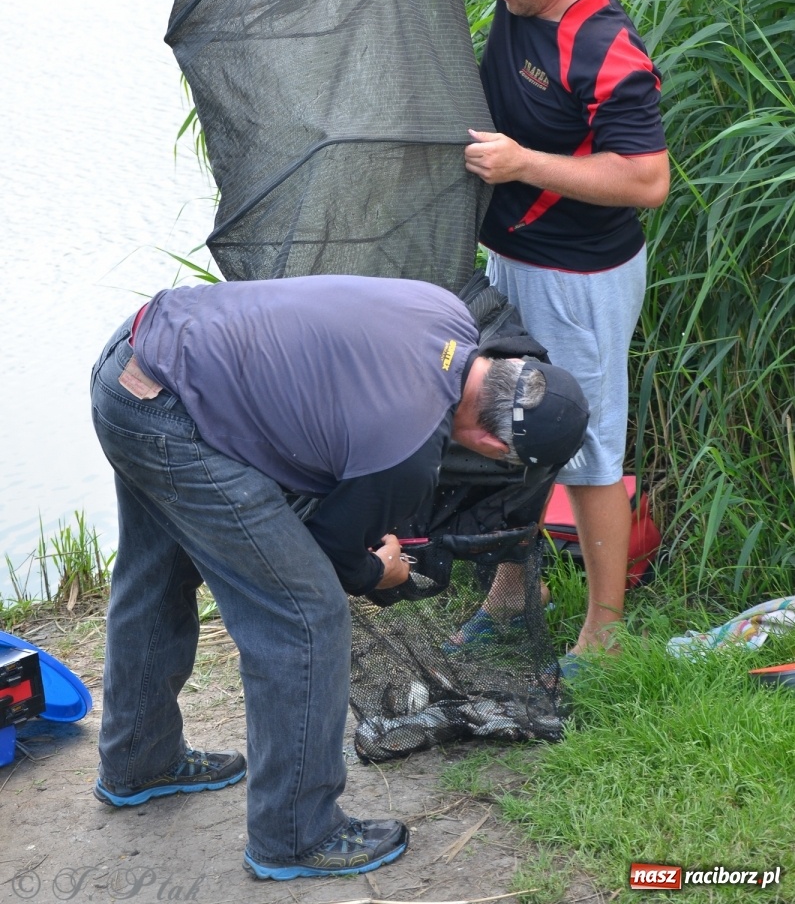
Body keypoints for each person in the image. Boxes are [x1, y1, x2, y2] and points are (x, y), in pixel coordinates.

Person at [90, 274, 588, 882]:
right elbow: (328, 552)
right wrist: (378, 571)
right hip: (176, 415)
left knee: (159, 574)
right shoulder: (407, 447)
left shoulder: (448, 316)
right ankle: (296, 834)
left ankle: (138, 760)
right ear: (491, 442)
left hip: (137, 360)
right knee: (304, 617)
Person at [385, 0, 669, 660]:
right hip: (505, 259)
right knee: (501, 414)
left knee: (587, 442)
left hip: (582, 276)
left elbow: (644, 182)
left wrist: (520, 164)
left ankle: (603, 631)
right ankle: (510, 591)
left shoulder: (608, 54)